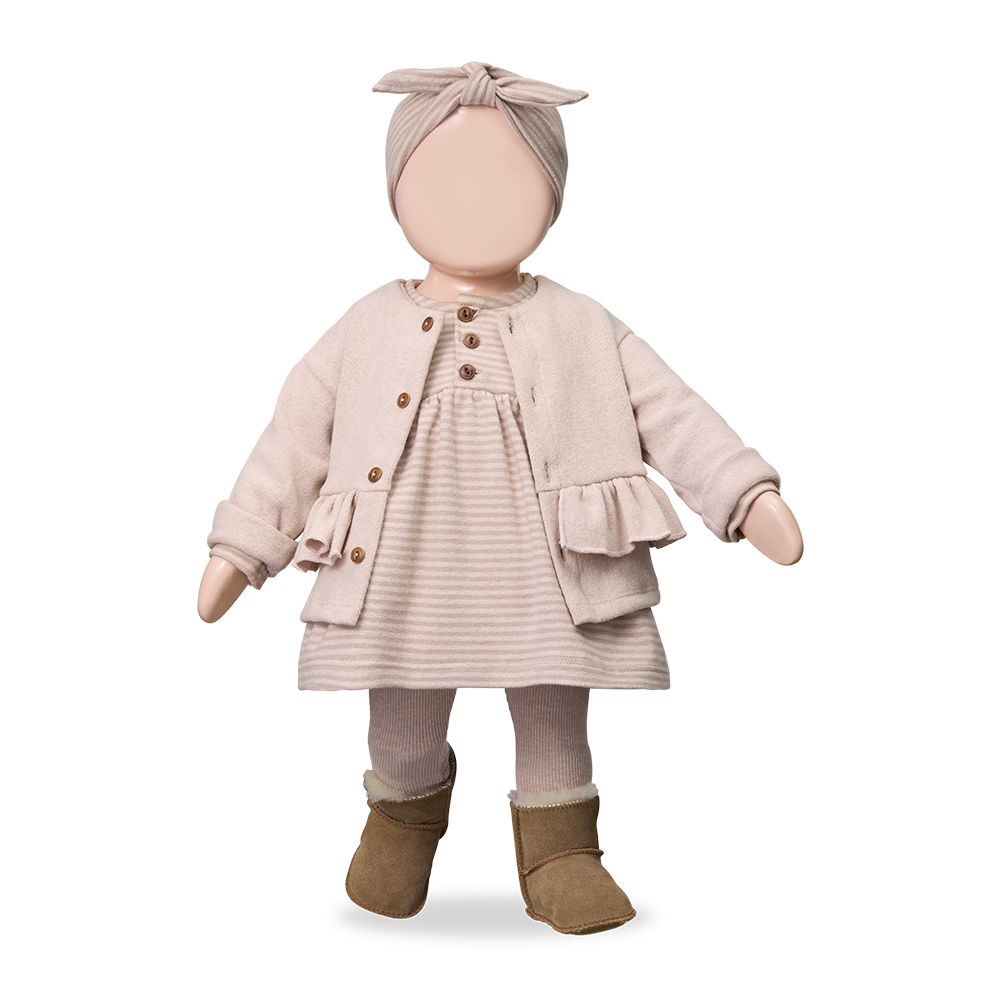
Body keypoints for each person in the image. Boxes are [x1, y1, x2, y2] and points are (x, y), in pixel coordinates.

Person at [199, 62, 803, 936]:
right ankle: (401, 822)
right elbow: (292, 443)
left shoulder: (583, 325)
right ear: (397, 193)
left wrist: (742, 491)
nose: (474, 201)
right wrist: (244, 546)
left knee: (555, 688)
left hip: (551, 560)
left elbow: (671, 413)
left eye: (508, 179)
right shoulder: (362, 328)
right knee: (401, 687)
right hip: (401, 559)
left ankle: (560, 850)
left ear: (552, 197)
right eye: (442, 179)